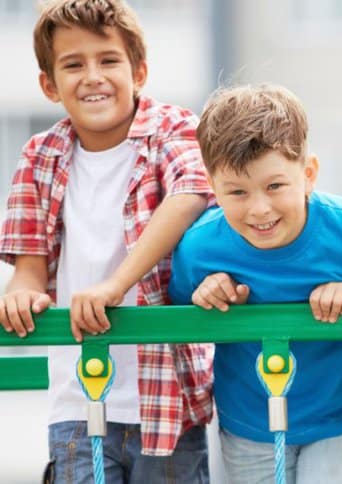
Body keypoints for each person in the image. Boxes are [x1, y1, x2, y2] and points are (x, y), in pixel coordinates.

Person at [0, 0, 214, 481]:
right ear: (49, 85)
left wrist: (114, 285)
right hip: (78, 397)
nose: (93, 76)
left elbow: (192, 193)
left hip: (166, 396)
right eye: (73, 65)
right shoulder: (40, 154)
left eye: (108, 60)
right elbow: (28, 272)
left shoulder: (172, 130)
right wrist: (20, 297)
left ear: (139, 71)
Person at [169, 84, 342, 484]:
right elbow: (178, 309)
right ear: (213, 187)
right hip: (248, 422)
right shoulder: (199, 249)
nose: (259, 208)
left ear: (308, 174)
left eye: (275, 186)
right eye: (237, 192)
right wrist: (205, 295)